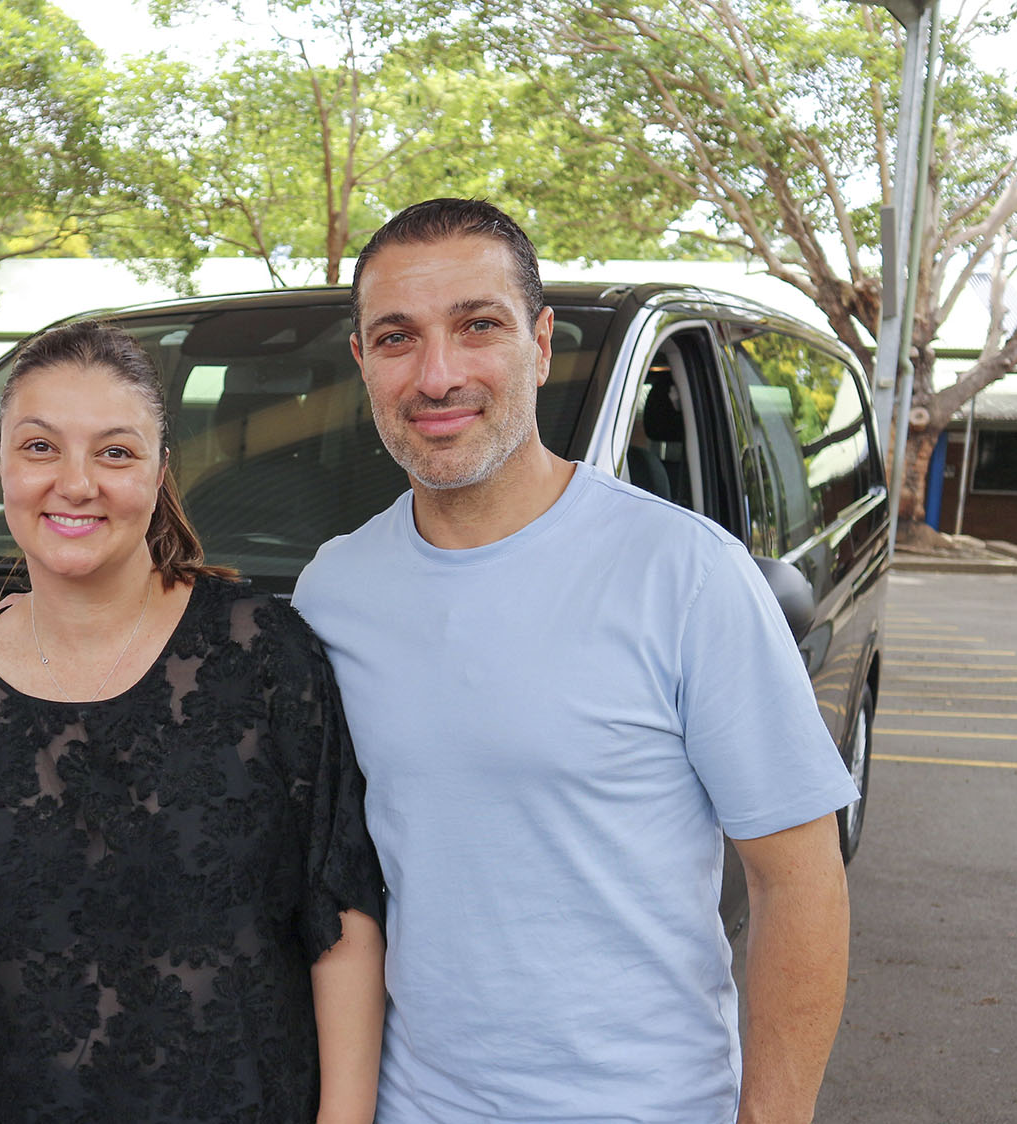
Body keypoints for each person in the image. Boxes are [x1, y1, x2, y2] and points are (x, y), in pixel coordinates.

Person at [293, 198, 859, 1124]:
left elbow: (797, 878)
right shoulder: (333, 591)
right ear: (363, 361)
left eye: (479, 326)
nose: (438, 375)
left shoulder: (684, 573)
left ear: (541, 343)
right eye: (397, 338)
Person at [0, 320, 388, 1124]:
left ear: (158, 471)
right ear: (2, 462)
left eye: (114, 452)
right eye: (40, 447)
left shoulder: (261, 657)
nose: (76, 484)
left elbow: (343, 925)